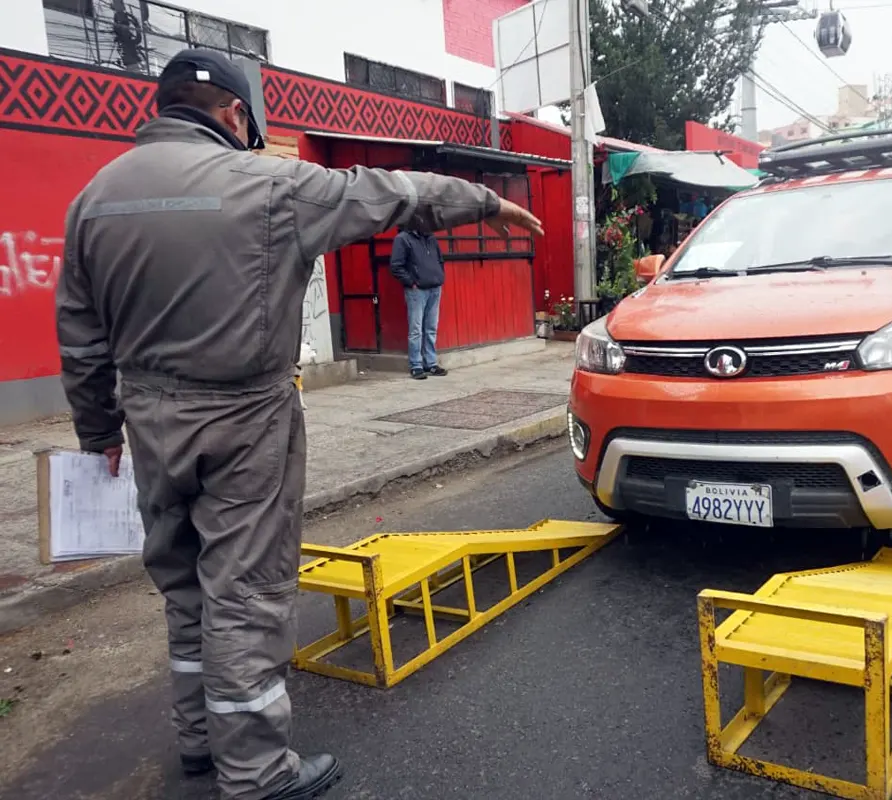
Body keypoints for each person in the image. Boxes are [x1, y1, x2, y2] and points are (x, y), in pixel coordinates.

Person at [55, 50, 541, 800]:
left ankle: (199, 746)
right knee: (244, 593)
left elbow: (81, 339)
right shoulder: (271, 185)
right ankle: (255, 771)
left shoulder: (94, 197)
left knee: (185, 588)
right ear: (234, 115)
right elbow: (393, 192)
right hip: (247, 419)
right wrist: (485, 201)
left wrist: (97, 435)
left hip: (148, 420)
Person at [389, 229, 448, 379]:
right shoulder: (402, 239)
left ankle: (431, 363)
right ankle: (416, 365)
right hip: (417, 290)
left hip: (435, 287)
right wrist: (411, 283)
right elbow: (396, 266)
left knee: (431, 328)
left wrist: (439, 277)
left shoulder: (431, 238)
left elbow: (440, 260)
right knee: (416, 329)